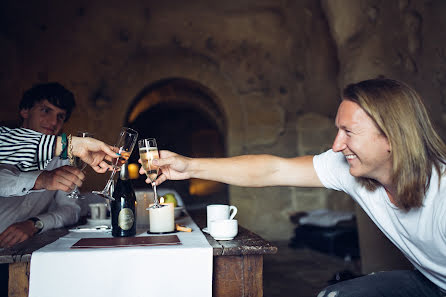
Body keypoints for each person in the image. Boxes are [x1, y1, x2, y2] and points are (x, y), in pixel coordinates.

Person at [140, 78, 446, 297]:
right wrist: (189, 165)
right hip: (431, 282)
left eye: (348, 132)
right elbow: (273, 169)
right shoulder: (351, 170)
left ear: (391, 138)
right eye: (338, 130)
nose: (337, 145)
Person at [0, 83, 117, 248]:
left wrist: (36, 224)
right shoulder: (4, 145)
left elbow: (71, 209)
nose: (54, 121)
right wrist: (43, 179)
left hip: (25, 252)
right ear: (25, 110)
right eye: (46, 111)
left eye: (60, 116)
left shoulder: (63, 158)